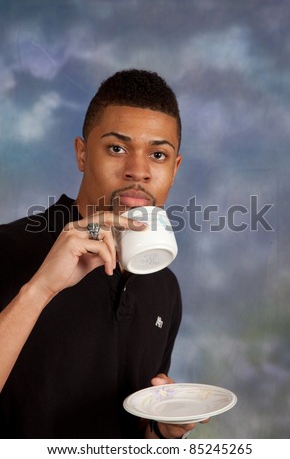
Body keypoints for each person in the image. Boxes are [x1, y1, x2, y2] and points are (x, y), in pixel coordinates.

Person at [0, 69, 198, 439]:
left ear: (174, 169)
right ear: (81, 154)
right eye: (117, 148)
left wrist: (161, 430)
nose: (137, 171)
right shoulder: (7, 249)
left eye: (157, 154)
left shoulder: (164, 287)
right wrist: (40, 289)